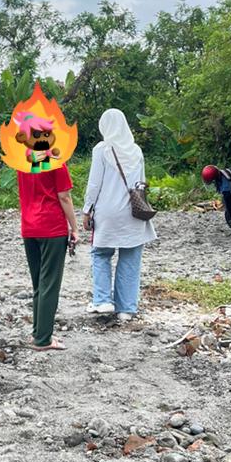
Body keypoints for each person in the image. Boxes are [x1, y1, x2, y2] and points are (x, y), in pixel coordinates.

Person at [82, 109, 156, 324]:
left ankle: (103, 300)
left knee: (100, 253)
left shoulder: (102, 149)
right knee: (131, 257)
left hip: (108, 212)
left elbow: (94, 184)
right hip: (133, 210)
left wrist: (87, 209)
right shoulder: (136, 150)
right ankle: (126, 309)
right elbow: (141, 183)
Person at [16, 121, 78, 351]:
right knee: (50, 283)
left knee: (38, 284)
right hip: (51, 228)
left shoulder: (23, 163)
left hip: (29, 227)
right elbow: (65, 197)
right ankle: (43, 339)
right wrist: (75, 228)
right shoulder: (56, 163)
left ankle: (38, 333)